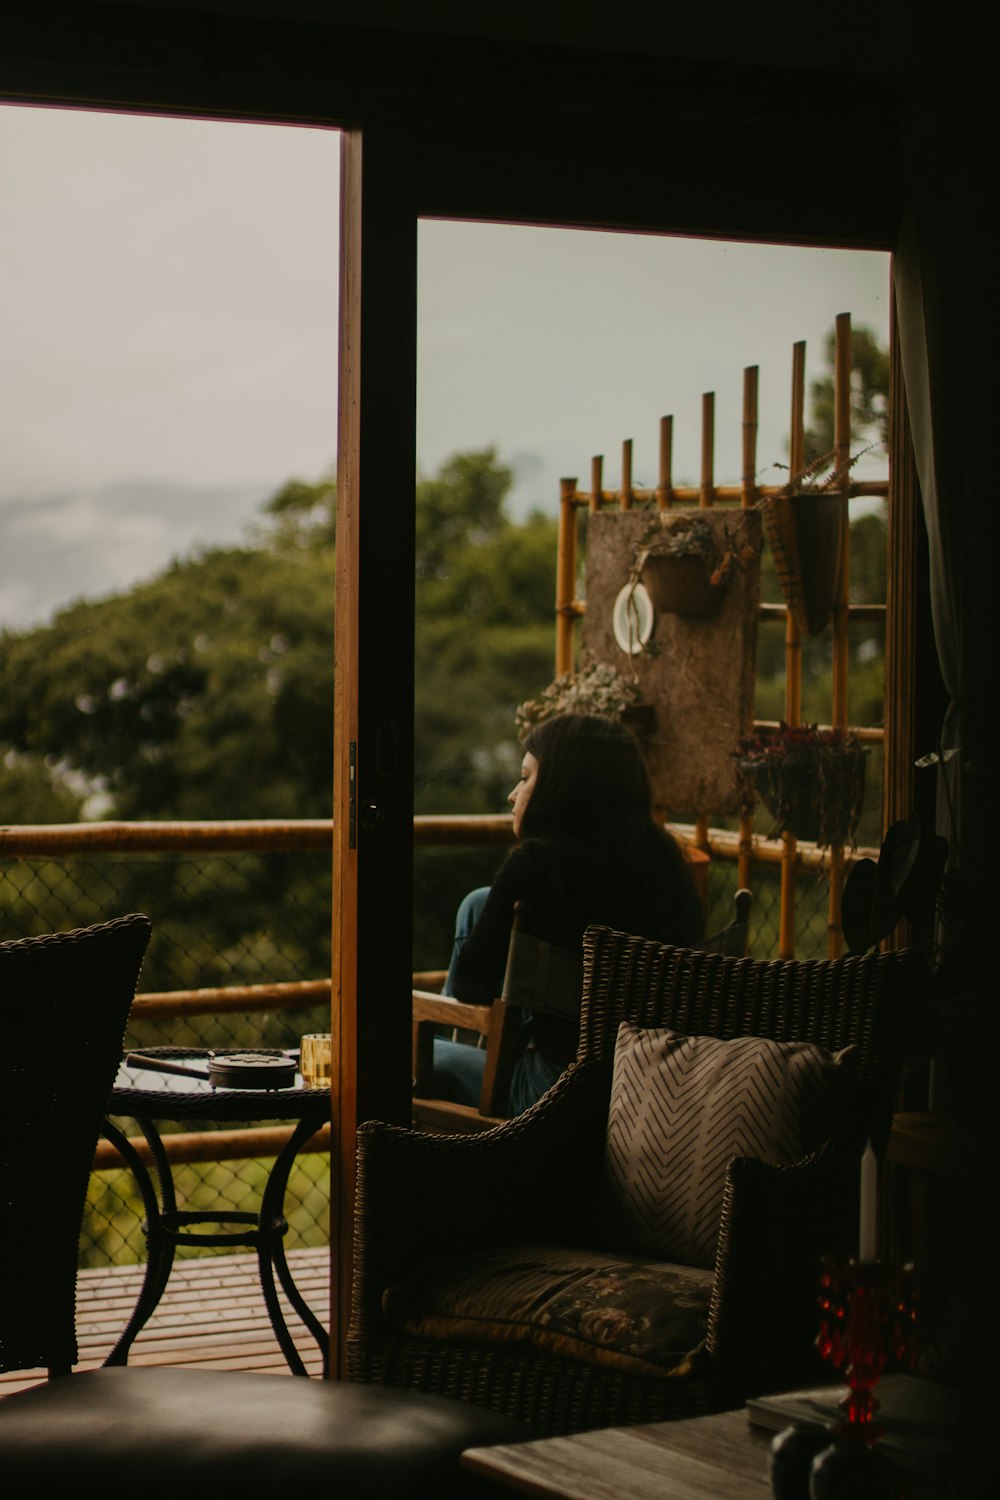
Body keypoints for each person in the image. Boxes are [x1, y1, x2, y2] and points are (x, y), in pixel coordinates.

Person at [431, 711, 704, 1114]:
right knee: (478, 902)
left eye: (525, 778)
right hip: (651, 1085)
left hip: (555, 1094)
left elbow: (471, 991)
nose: (512, 794)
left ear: (562, 785)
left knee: (391, 1050)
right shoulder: (668, 863)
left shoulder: (535, 864)